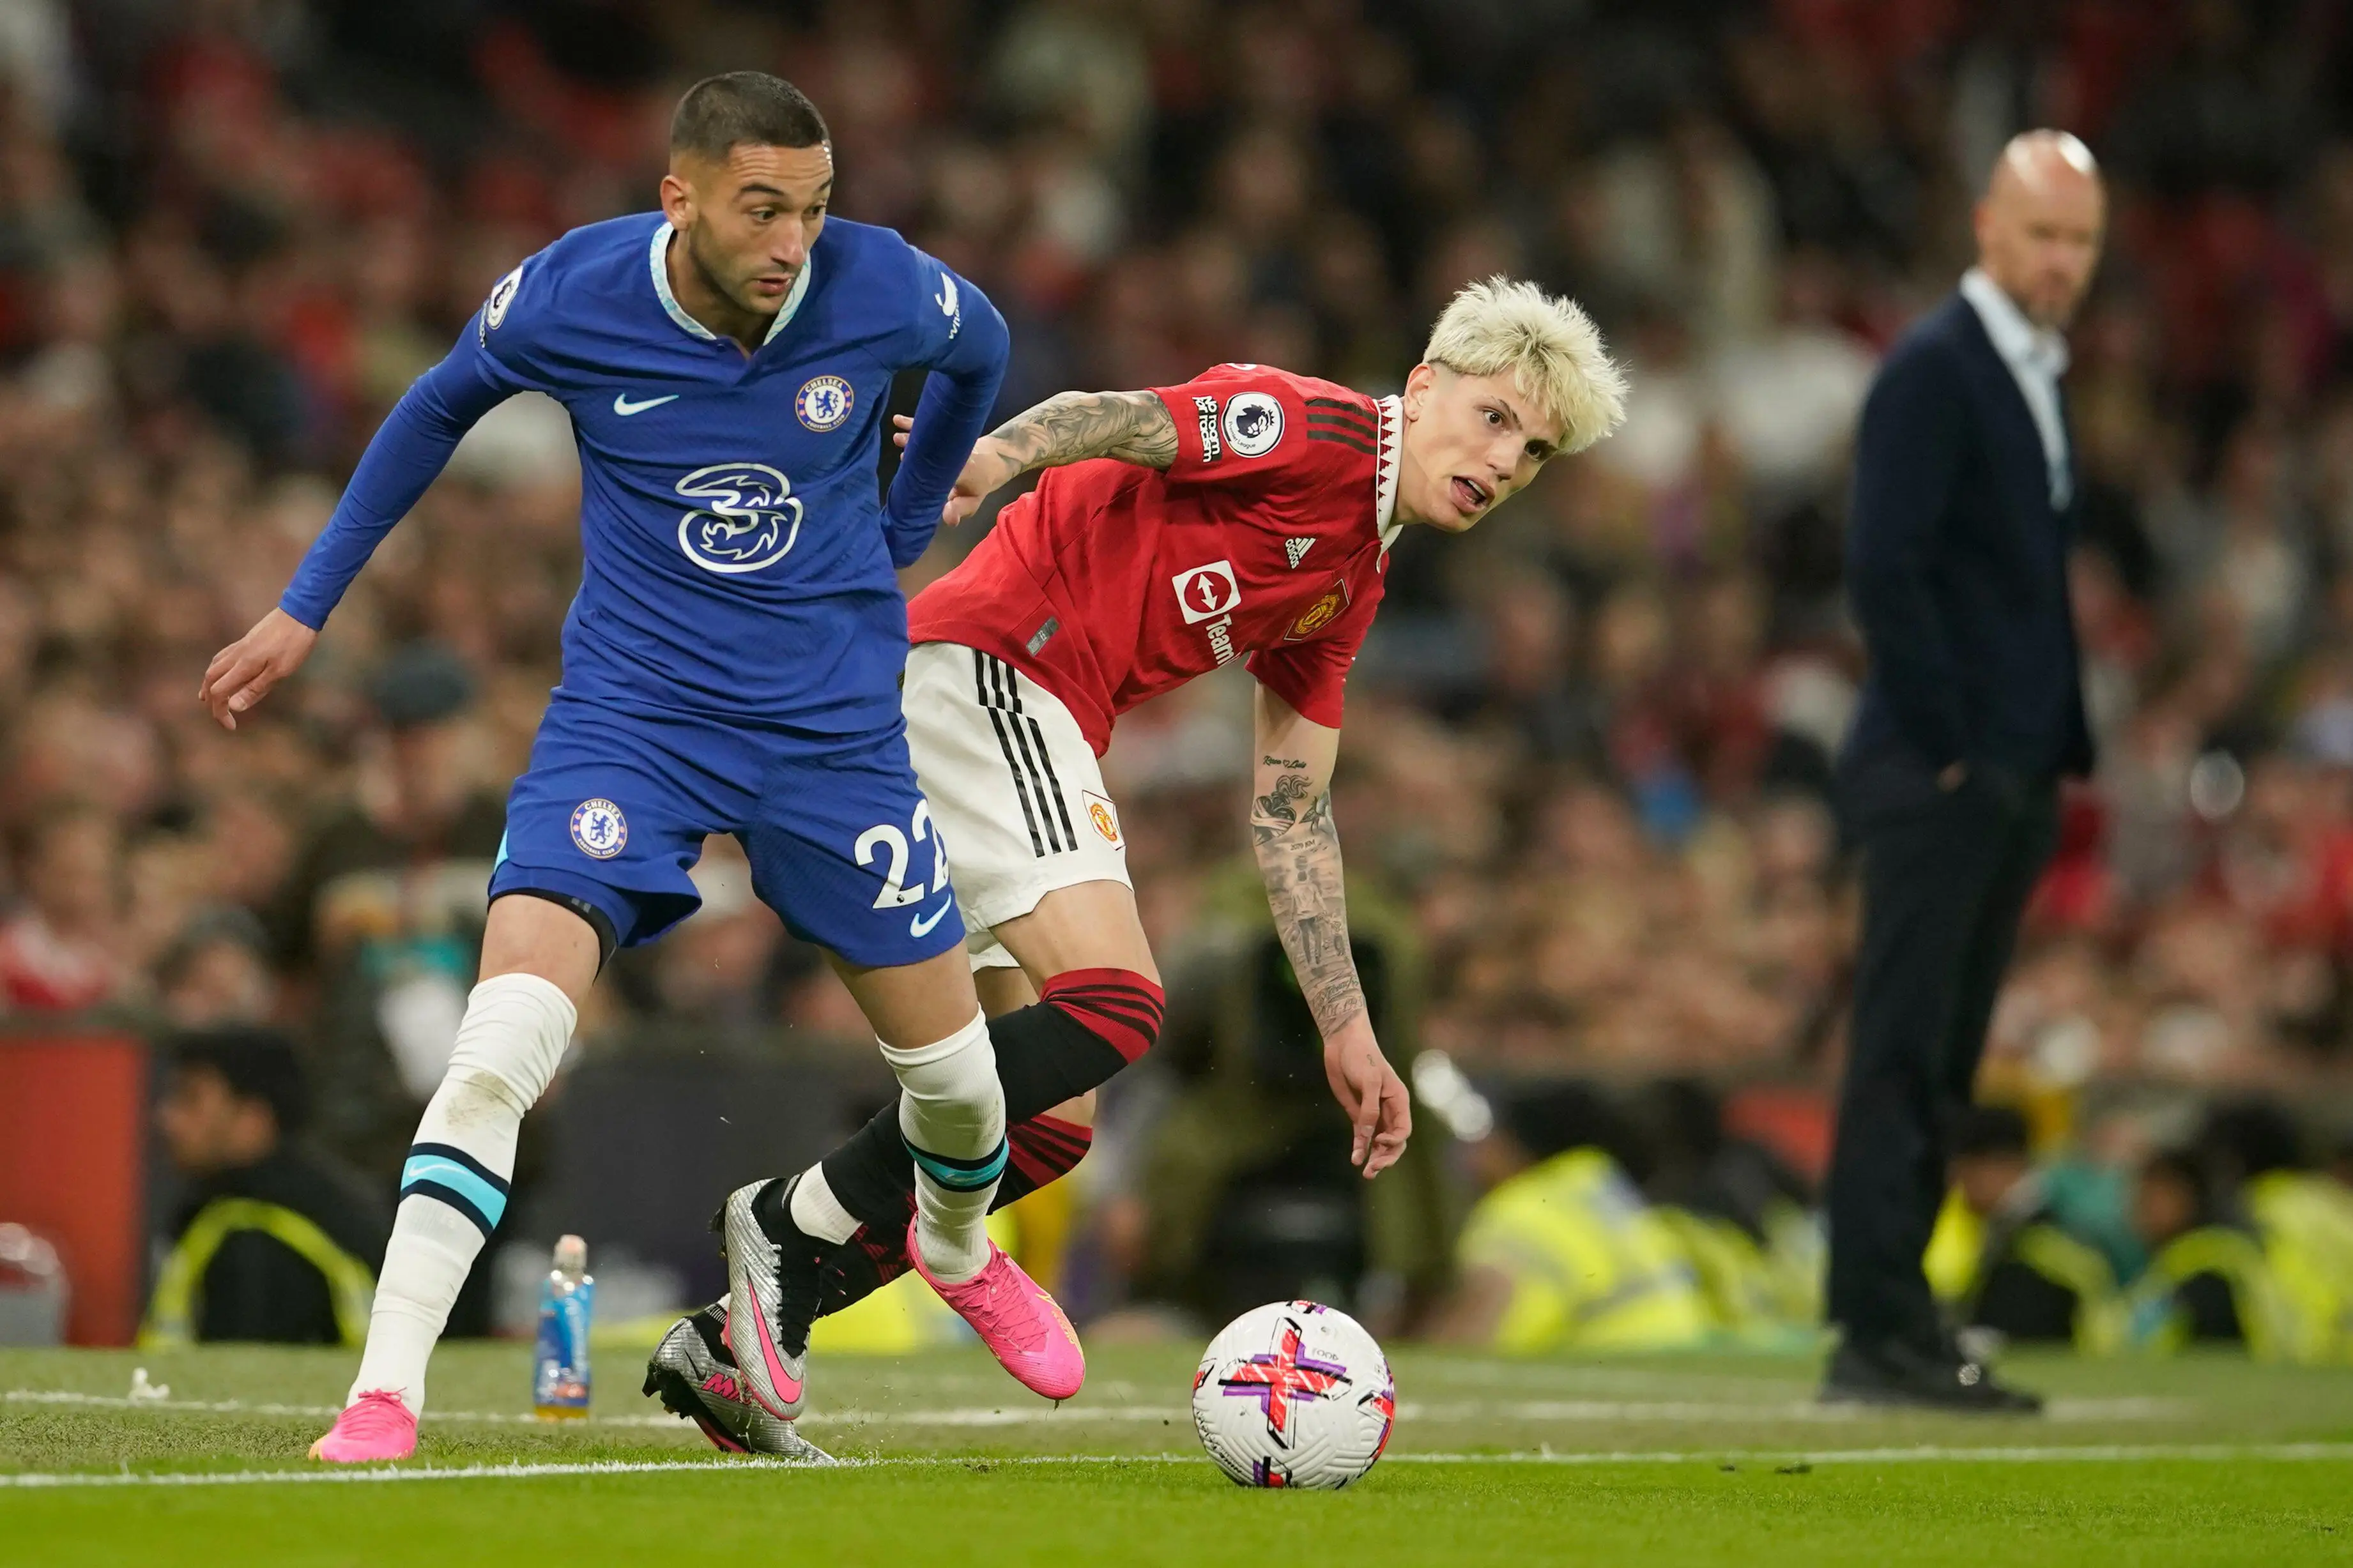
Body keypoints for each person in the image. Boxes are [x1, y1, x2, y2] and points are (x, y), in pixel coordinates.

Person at [197, 72, 1057, 1464]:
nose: (793, 243)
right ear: (682, 198)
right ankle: (383, 1394)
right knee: (501, 1043)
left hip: (831, 733)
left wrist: (908, 516)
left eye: (814, 209)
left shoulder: (879, 287)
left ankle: (954, 1247)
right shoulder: (569, 296)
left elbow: (985, 351)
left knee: (961, 1090)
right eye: (761, 208)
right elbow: (432, 407)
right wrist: (308, 604)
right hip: (633, 721)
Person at [645, 276, 1629, 1450]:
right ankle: (793, 1219)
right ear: (1423, 388)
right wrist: (992, 455)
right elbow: (1124, 415)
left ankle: (739, 1336)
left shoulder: (1353, 574)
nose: (1503, 462)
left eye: (1532, 454)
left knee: (1051, 1127)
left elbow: (1290, 808)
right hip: (994, 672)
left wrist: (1347, 1026)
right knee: (1116, 1004)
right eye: (1494, 419)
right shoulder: (1315, 429)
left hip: (1024, 710)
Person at [1823, 130, 2106, 1410]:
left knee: (1939, 1056)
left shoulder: (2021, 369)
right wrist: (1945, 748)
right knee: (1901, 1049)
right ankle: (1874, 1329)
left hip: (2004, 766)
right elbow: (1882, 565)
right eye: (2042, 234)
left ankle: (1898, 1318)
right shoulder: (1937, 367)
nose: (2061, 262)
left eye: (2080, 242)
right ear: (1985, 223)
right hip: (1944, 768)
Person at [143, 1028, 388, 1348]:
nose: (167, 1118)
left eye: (190, 1099)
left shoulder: (253, 1233)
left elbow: (240, 1380)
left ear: (253, 1120)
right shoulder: (330, 1202)